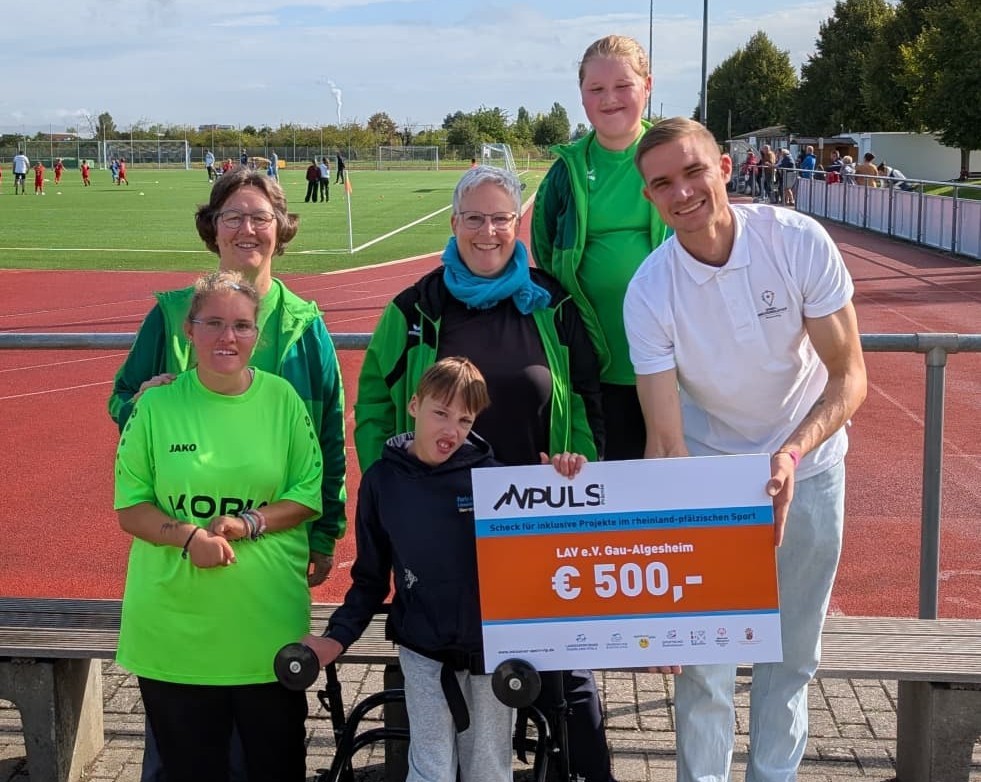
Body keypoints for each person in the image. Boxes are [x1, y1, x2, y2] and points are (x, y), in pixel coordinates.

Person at [623, 117, 867, 782]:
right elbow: (666, 439)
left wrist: (787, 456)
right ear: (649, 197)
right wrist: (659, 569)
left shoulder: (796, 241)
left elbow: (849, 378)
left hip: (810, 469)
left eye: (693, 171)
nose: (682, 192)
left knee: (788, 660)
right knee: (701, 664)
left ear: (725, 170)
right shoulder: (649, 290)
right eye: (662, 183)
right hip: (709, 480)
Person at [356, 165, 608, 782]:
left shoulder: (554, 304)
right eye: (474, 217)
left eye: (501, 218)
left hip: (533, 537)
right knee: (448, 715)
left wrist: (577, 468)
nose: (488, 231)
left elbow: (583, 402)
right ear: (453, 224)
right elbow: (372, 407)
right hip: (444, 542)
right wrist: (395, 495)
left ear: (517, 224)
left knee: (562, 686)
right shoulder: (415, 308)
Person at [108, 167, 348, 781]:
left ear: (280, 229)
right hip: (183, 588)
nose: (247, 228)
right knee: (185, 755)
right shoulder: (171, 316)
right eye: (233, 216)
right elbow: (124, 401)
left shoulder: (305, 321)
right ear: (213, 229)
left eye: (260, 217)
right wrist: (146, 399)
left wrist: (325, 534)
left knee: (266, 748)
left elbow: (327, 436)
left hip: (265, 571)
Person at [309, 357, 589, 782]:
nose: (450, 430)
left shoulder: (495, 481)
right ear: (414, 406)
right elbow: (369, 578)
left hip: (489, 653)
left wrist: (559, 481)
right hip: (423, 649)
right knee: (431, 766)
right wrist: (337, 637)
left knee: (488, 768)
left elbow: (549, 551)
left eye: (464, 419)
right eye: (440, 413)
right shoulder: (384, 482)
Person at [532, 34, 671, 463]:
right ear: (582, 96)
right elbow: (544, 253)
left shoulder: (674, 157)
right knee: (610, 501)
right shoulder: (563, 175)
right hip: (594, 372)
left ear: (648, 86)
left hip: (675, 371)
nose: (610, 99)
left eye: (623, 85)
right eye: (596, 89)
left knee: (673, 498)